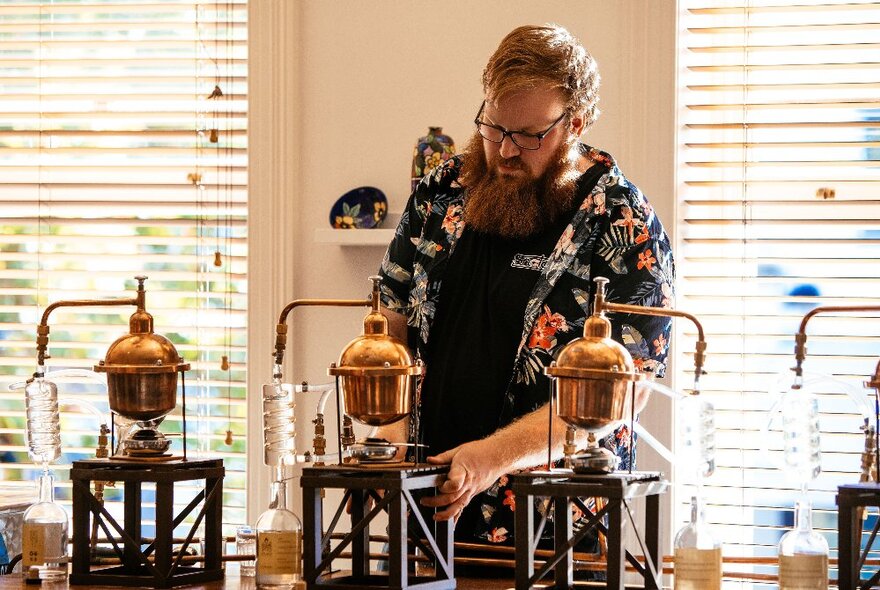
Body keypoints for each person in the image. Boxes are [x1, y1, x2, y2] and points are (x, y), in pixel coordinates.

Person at [377, 23, 675, 549]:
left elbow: (630, 388)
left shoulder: (624, 221)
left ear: (574, 123)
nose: (507, 151)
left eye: (529, 136)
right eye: (495, 127)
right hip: (424, 516)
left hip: (553, 533)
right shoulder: (440, 191)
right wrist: (391, 440)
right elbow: (390, 324)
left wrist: (492, 458)